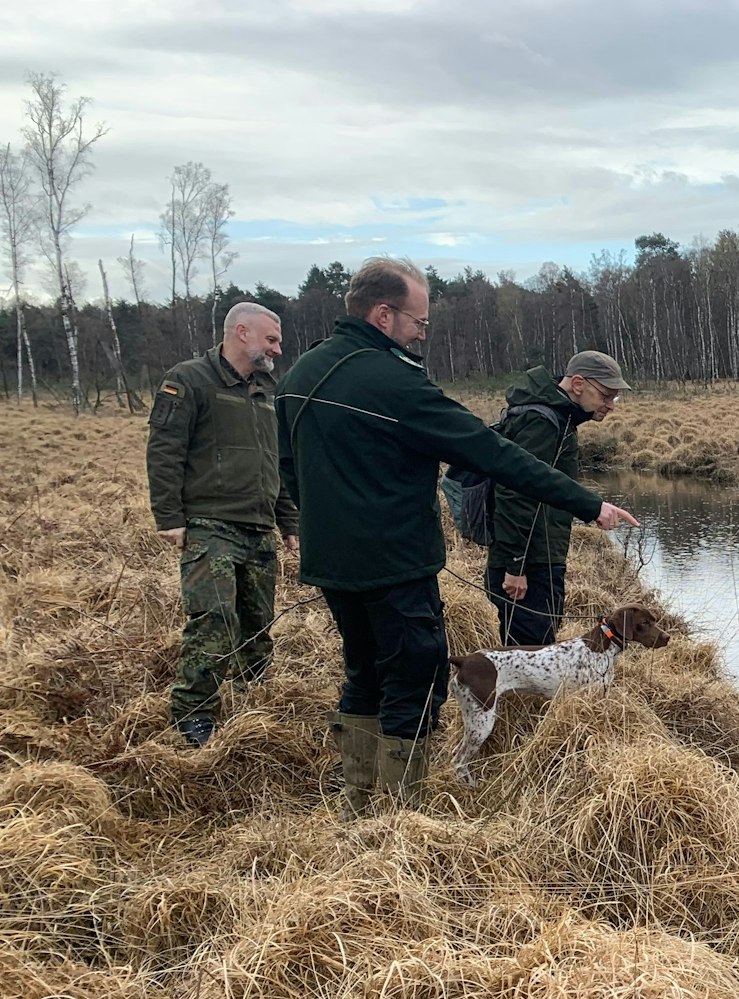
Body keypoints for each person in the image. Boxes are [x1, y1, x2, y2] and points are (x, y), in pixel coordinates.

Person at [276, 257, 637, 819]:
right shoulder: (397, 382)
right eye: (418, 323)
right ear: (383, 314)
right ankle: (400, 814)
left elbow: (287, 468)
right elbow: (495, 456)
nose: (422, 333)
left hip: (331, 563)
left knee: (361, 669)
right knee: (415, 677)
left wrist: (320, 527)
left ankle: (357, 802)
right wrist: (590, 505)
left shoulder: (300, 374)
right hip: (396, 563)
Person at [146, 302, 297, 748]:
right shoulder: (190, 380)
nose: (278, 349)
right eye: (271, 340)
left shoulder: (269, 391)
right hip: (210, 524)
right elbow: (165, 449)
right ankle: (194, 715)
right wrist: (169, 516)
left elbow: (277, 462)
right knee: (213, 619)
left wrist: (288, 520)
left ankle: (255, 701)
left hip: (259, 525)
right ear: (242, 333)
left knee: (258, 622)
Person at [486, 351, 628, 646]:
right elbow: (516, 492)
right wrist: (516, 567)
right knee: (529, 655)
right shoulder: (543, 422)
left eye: (615, 398)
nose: (611, 406)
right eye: (606, 396)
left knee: (535, 648)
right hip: (529, 564)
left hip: (540, 557)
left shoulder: (560, 419)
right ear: (578, 384)